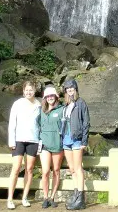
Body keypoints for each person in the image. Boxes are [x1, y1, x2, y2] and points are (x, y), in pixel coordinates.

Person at [7, 81, 41, 210]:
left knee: (30, 169)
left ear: (34, 91)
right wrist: (11, 141)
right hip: (19, 140)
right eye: (26, 90)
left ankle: (24, 197)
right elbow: (12, 123)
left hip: (33, 140)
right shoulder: (18, 104)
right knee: (16, 169)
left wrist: (40, 143)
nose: (28, 92)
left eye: (31, 90)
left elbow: (40, 125)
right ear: (23, 91)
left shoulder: (39, 104)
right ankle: (10, 199)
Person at [61, 79, 90, 211]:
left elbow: (86, 123)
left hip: (77, 139)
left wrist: (84, 141)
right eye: (68, 88)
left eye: (72, 88)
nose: (70, 90)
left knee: (78, 169)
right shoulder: (66, 104)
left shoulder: (81, 103)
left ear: (76, 89)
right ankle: (76, 194)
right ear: (65, 91)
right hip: (66, 140)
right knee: (72, 169)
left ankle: (81, 199)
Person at [38, 85, 65, 208]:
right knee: (45, 172)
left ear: (56, 96)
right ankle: (45, 197)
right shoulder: (41, 111)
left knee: (56, 171)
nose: (50, 98)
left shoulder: (62, 109)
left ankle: (52, 197)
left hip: (57, 144)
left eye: (51, 95)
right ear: (45, 98)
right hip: (45, 145)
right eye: (47, 96)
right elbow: (37, 126)